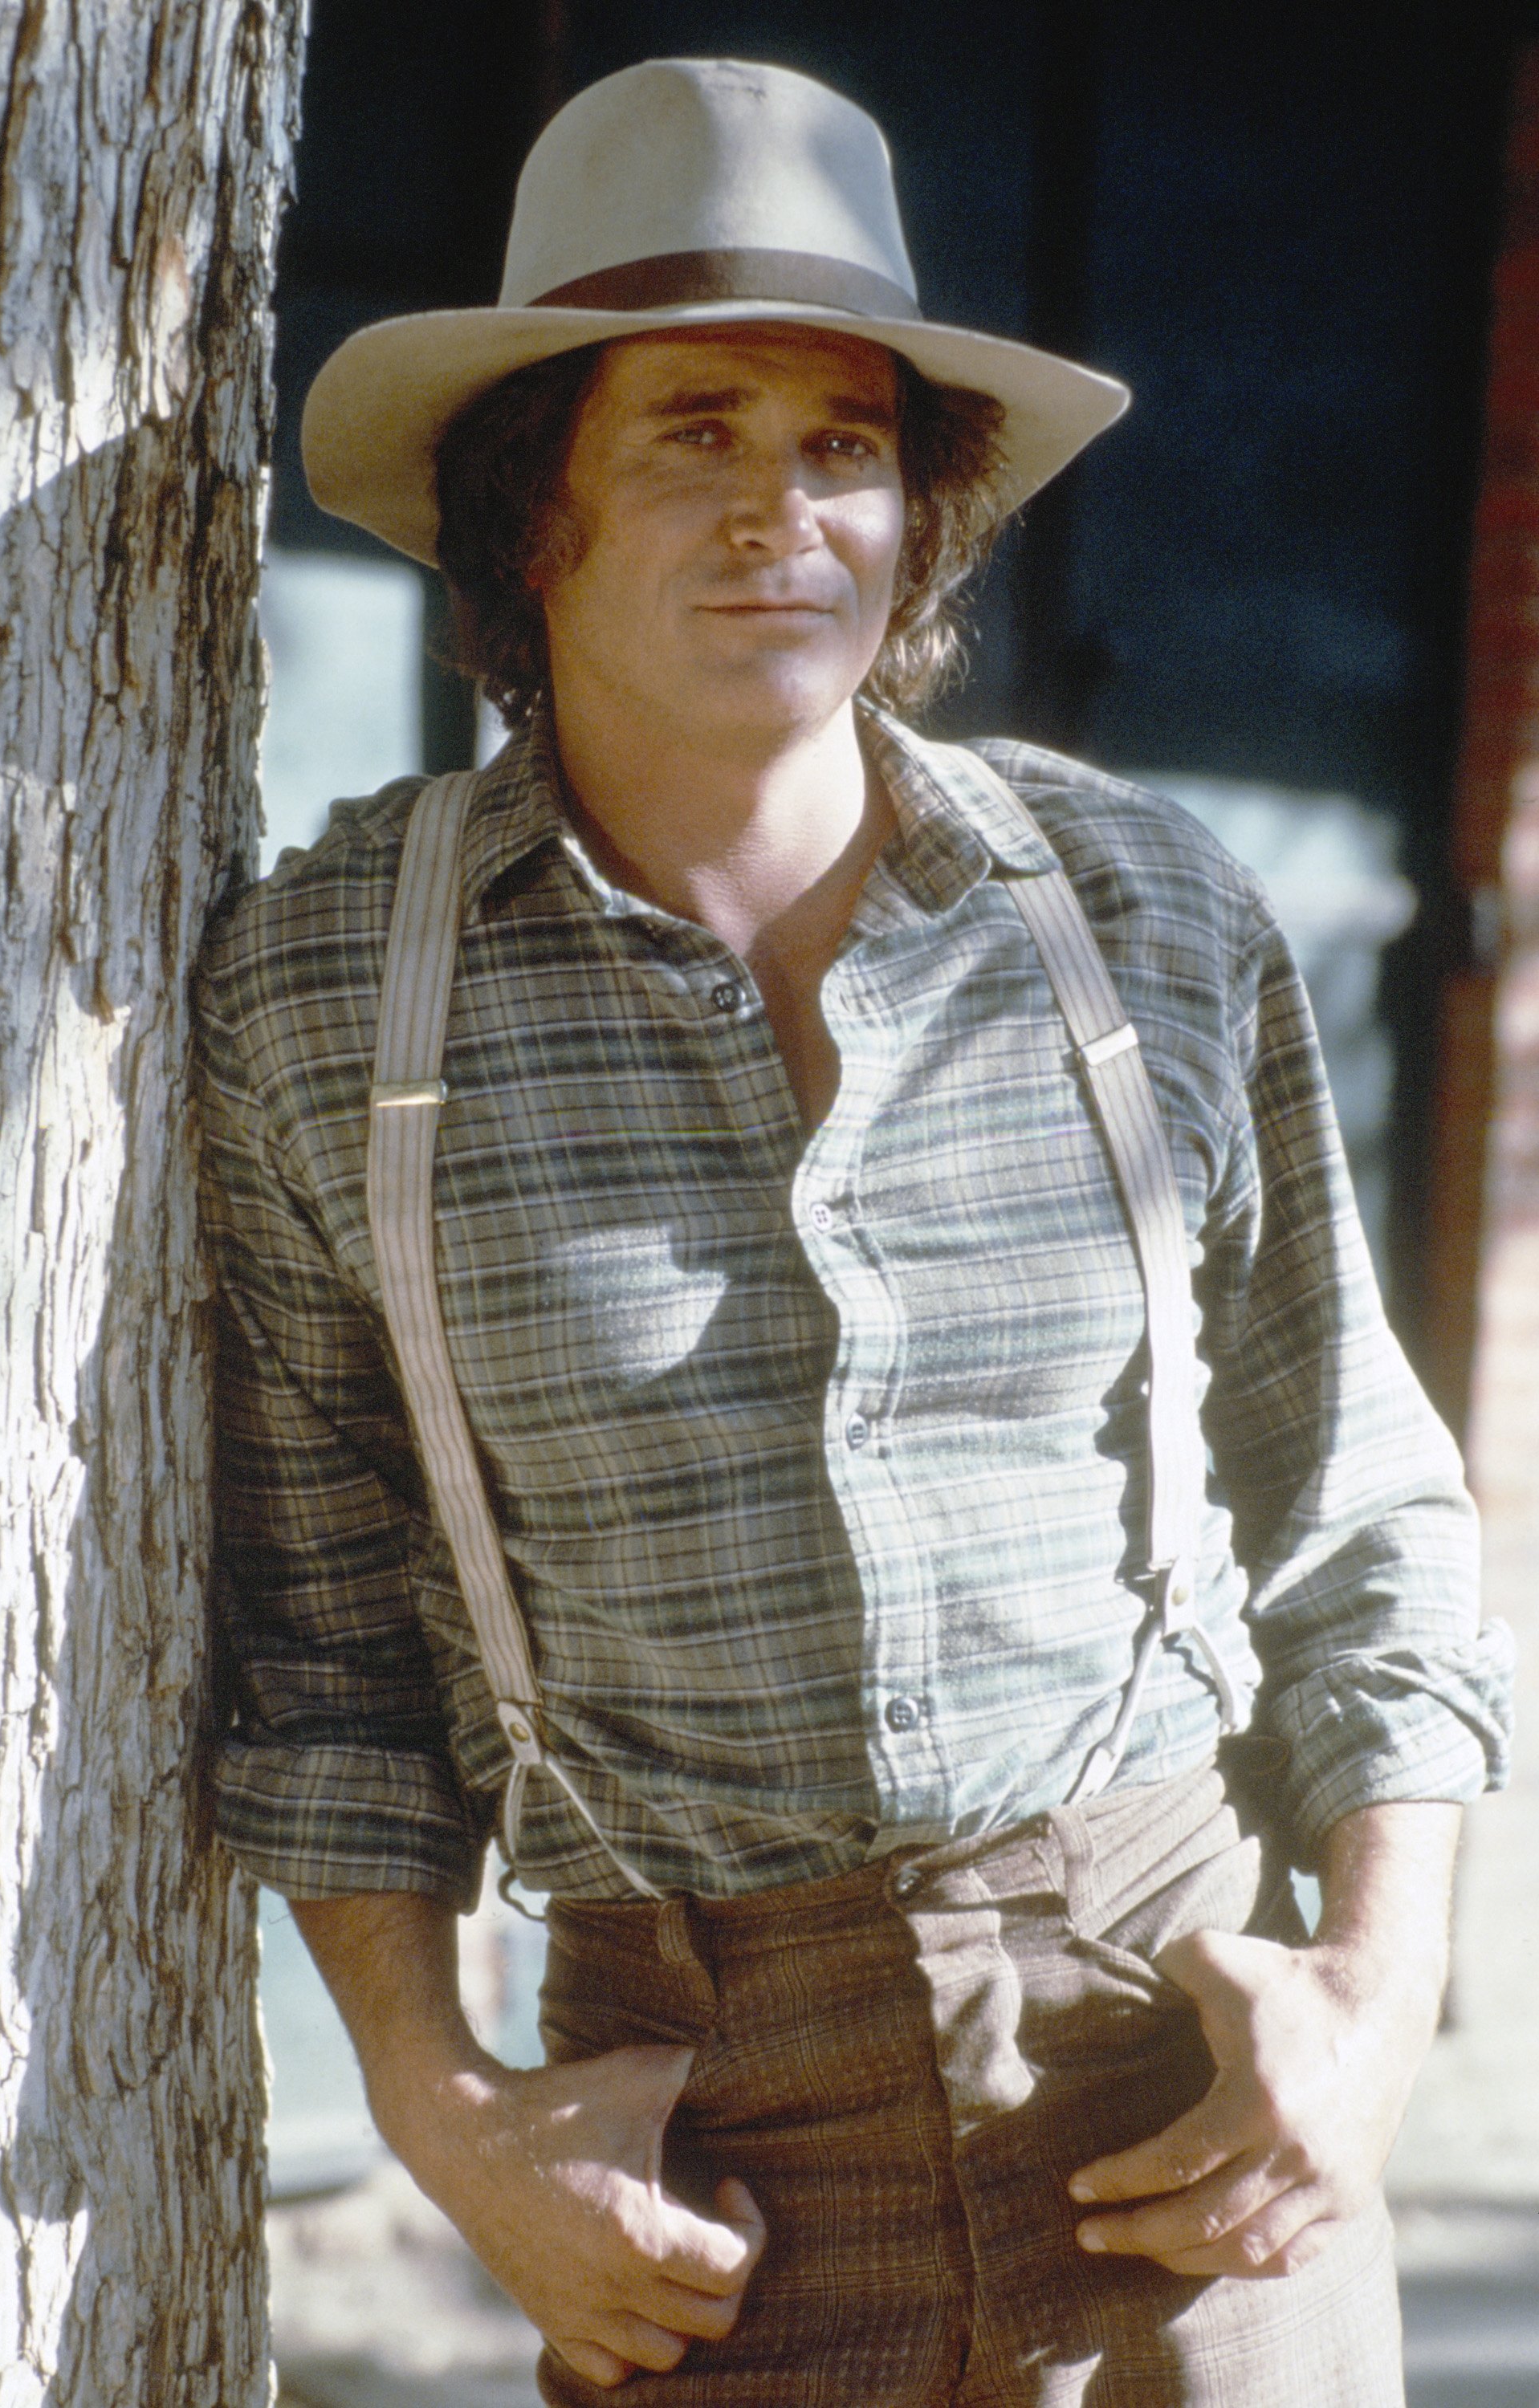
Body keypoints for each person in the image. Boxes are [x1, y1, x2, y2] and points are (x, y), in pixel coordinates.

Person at [197, 56, 1513, 2407]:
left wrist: (1377, 1999)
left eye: (843, 446)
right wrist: (443, 2108)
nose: (778, 516)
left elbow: (1362, 1502)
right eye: (695, 432)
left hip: (1180, 2080)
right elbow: (316, 1649)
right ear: (535, 514)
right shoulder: (326, 988)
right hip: (697, 2156)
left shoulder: (1136, 910)